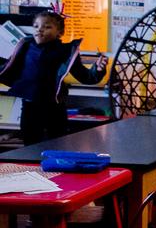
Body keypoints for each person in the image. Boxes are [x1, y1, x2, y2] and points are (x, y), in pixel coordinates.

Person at [0, 10, 108, 145]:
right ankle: (33, 166)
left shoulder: (66, 51)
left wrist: (98, 69)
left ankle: (57, 165)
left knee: (57, 141)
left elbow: (85, 76)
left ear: (60, 32)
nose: (40, 30)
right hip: (30, 104)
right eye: (36, 26)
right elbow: (7, 67)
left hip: (55, 106)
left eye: (47, 27)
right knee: (30, 142)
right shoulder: (26, 46)